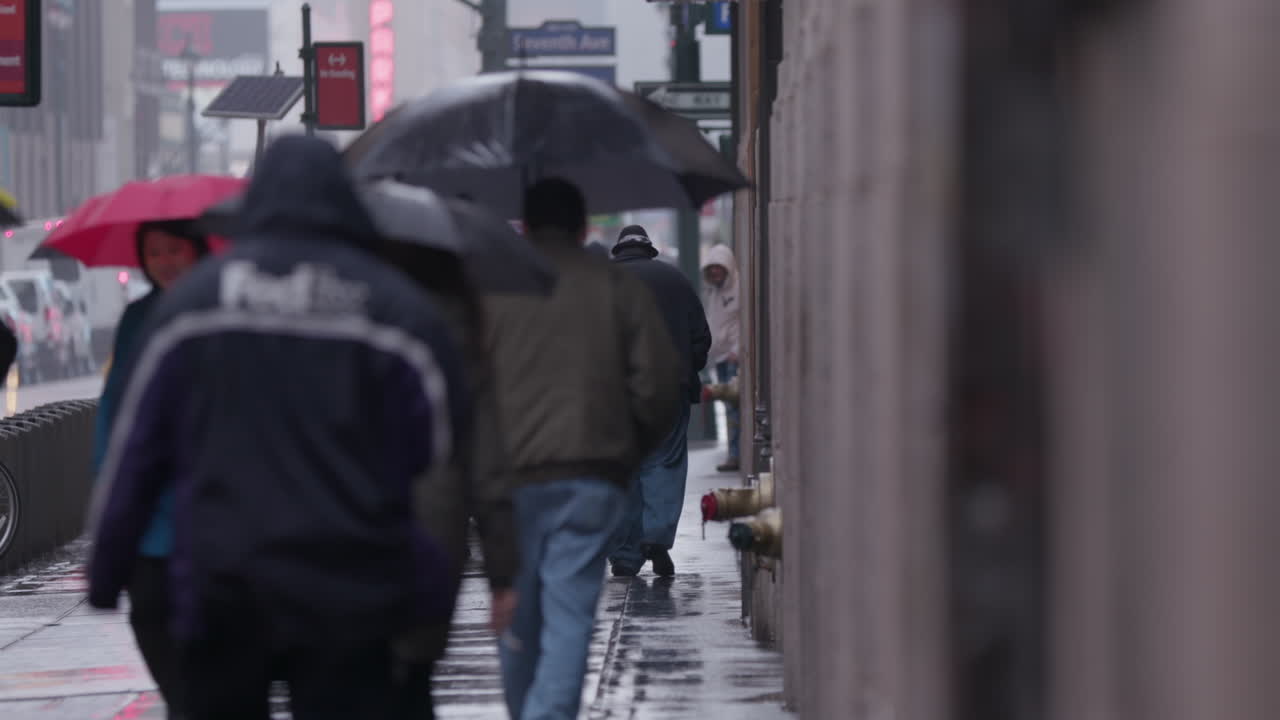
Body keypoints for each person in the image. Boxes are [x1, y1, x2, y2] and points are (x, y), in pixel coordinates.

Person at [87, 136, 469, 720]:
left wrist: (109, 567)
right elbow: (439, 449)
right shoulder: (392, 310)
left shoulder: (192, 309)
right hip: (352, 584)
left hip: (223, 581)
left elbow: (136, 449)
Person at [488, 179, 682, 720]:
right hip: (590, 472)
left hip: (510, 479)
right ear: (581, 228)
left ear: (524, 227)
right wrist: (627, 448)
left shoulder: (495, 289)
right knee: (571, 609)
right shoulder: (615, 288)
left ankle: (527, 709)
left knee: (516, 611)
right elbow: (659, 383)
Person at [376, 242, 518, 717]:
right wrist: (504, 574)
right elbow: (487, 464)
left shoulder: (344, 310)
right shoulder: (457, 327)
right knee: (414, 682)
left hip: (344, 530)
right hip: (433, 534)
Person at [90, 219, 210, 720]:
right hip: (154, 524)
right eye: (154, 252)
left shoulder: (225, 307)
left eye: (174, 249)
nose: (164, 261)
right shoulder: (138, 319)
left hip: (217, 518)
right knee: (156, 629)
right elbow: (114, 419)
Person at [607, 225, 710, 578]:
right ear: (649, 250)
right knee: (663, 463)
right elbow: (701, 339)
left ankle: (624, 554)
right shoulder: (675, 280)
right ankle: (656, 539)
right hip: (668, 388)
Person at [702, 244, 741, 473]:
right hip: (721, 358)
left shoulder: (739, 289)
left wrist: (738, 349)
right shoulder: (713, 293)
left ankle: (735, 454)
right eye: (712, 269)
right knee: (729, 410)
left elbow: (746, 321)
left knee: (734, 410)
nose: (715, 273)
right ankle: (733, 452)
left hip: (734, 358)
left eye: (719, 269)